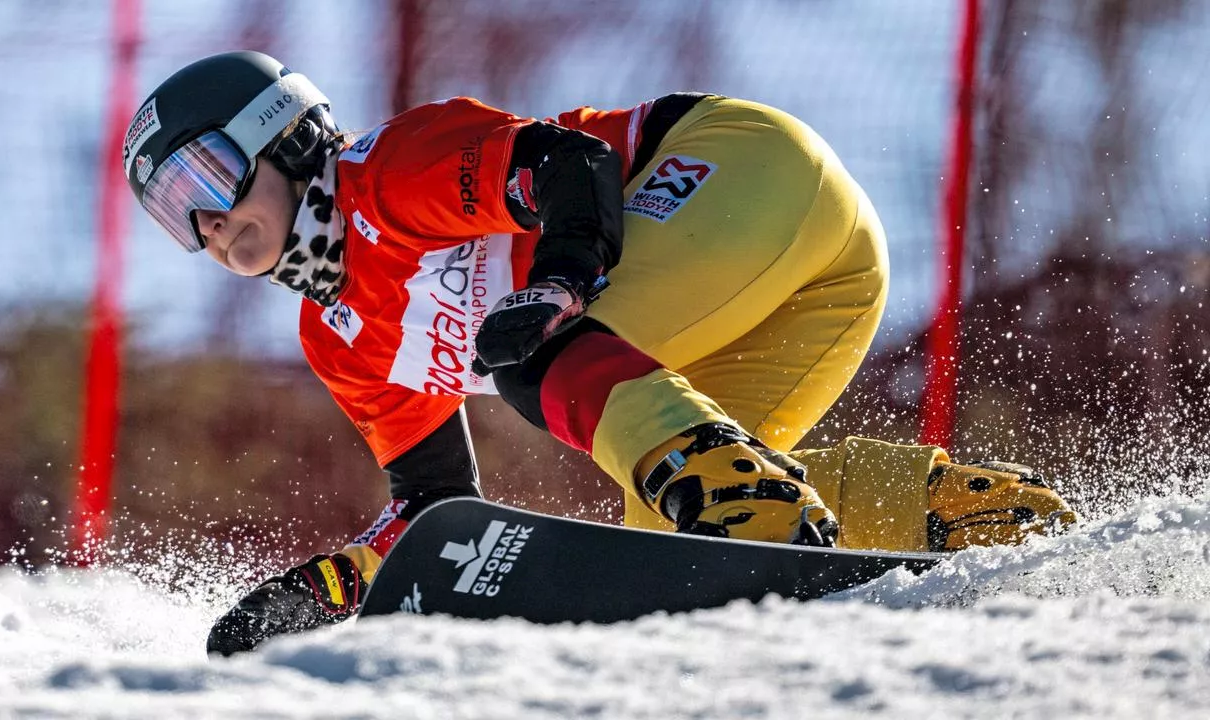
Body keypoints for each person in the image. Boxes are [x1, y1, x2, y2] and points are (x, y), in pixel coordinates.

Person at [122, 51, 1078, 655]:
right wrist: (337, 589)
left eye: (207, 175)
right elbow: (439, 513)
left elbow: (568, 168)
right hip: (817, 284)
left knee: (528, 351)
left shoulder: (385, 171)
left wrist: (560, 284)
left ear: (283, 136)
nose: (205, 223)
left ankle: (759, 512)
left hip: (742, 170)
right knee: (661, 535)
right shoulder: (338, 340)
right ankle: (946, 512)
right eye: (172, 210)